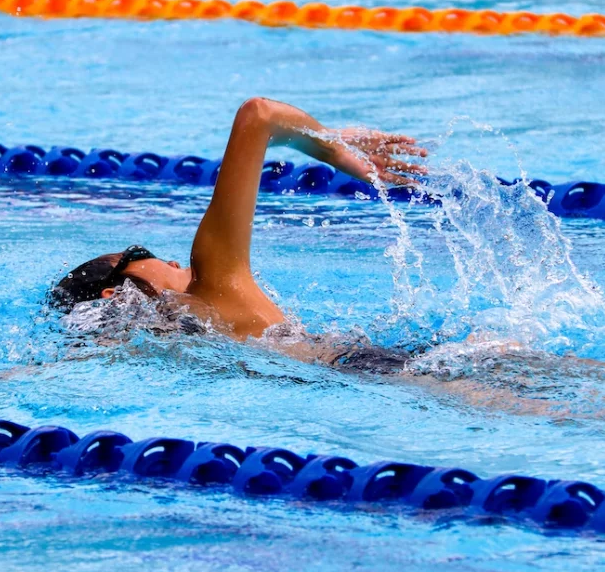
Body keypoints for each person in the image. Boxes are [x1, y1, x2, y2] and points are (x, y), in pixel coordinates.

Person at [50, 97, 427, 372]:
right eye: (140, 254)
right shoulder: (211, 280)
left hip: (375, 373)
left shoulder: (185, 350)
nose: (172, 261)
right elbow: (258, 114)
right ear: (115, 293)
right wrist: (333, 148)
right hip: (387, 369)